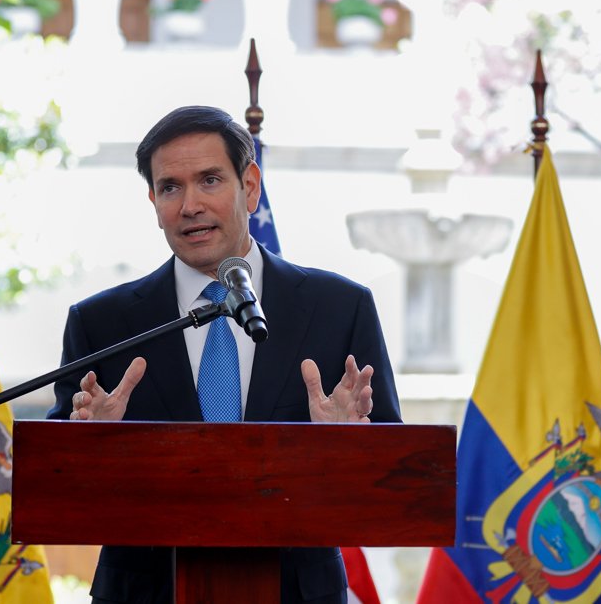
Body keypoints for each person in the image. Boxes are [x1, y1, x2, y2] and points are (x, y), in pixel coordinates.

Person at [46, 105, 401, 604]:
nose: (190, 205)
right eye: (170, 187)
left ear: (250, 186)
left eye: (210, 180)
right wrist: (90, 446)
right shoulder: (101, 323)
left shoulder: (339, 308)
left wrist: (346, 446)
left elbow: (392, 485)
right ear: (153, 201)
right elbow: (56, 489)